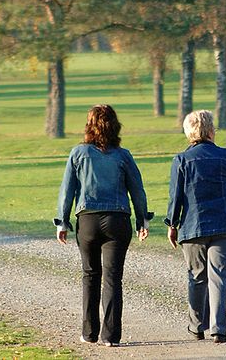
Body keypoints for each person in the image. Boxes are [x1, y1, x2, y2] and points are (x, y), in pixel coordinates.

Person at [54, 104, 152, 347]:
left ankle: (89, 333)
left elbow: (67, 191)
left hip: (87, 219)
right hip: (117, 220)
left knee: (90, 275)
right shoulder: (123, 155)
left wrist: (63, 222)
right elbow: (137, 190)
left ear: (89, 125)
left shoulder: (78, 153)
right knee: (112, 279)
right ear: (115, 126)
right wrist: (142, 219)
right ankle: (111, 336)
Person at [164, 110, 226, 344]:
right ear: (211, 131)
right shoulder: (224, 156)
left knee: (196, 277)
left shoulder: (181, 160)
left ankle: (196, 326)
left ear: (188, 132)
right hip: (224, 226)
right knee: (219, 277)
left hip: (193, 228)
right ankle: (219, 329)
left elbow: (175, 198)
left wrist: (172, 225)